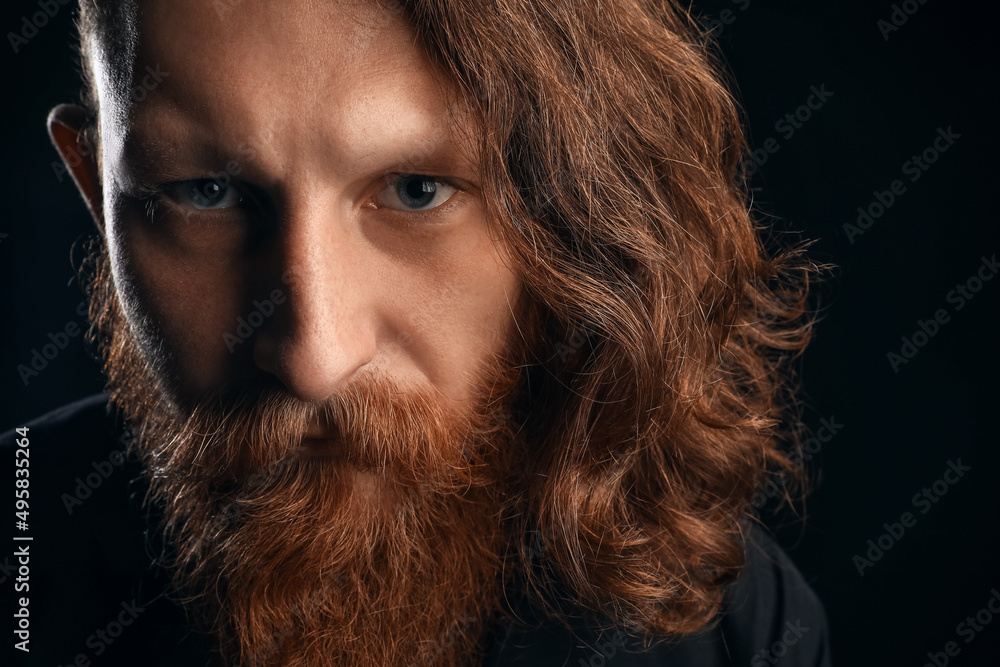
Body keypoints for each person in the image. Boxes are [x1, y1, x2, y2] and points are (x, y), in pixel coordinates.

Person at [3, 0, 832, 665]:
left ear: (566, 205)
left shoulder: (732, 625)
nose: (314, 357)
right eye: (207, 192)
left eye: (415, 190)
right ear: (91, 186)